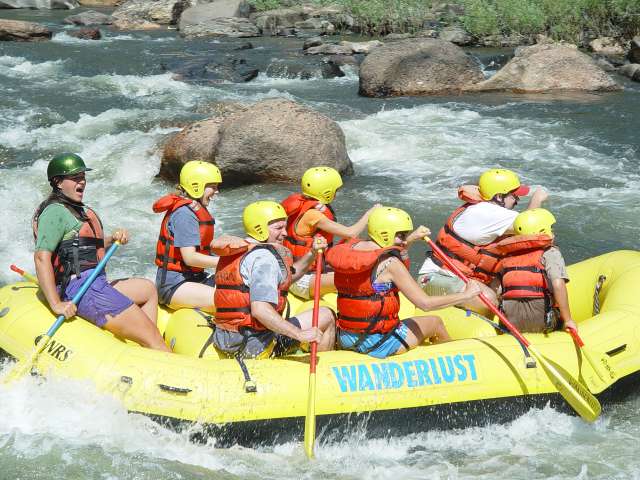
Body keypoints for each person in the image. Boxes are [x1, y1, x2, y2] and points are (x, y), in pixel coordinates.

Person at [33, 153, 170, 352]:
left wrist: (112, 239)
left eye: (83, 176)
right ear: (58, 182)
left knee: (147, 289)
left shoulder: (75, 209)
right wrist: (56, 303)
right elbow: (41, 258)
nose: (82, 181)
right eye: (75, 177)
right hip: (81, 288)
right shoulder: (55, 211)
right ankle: (154, 344)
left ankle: (146, 345)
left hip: (96, 282)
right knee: (154, 338)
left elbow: (83, 247)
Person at [326, 206, 482, 359]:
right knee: (435, 322)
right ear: (385, 234)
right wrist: (466, 295)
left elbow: (387, 249)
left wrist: (412, 238)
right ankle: (453, 365)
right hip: (378, 342)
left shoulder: (351, 251)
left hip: (346, 337)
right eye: (401, 235)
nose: (403, 240)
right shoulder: (391, 264)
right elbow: (425, 304)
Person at [211, 201, 336, 359]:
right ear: (260, 229)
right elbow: (260, 310)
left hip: (227, 338)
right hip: (255, 345)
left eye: (285, 227)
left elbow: (286, 277)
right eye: (278, 228)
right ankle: (324, 370)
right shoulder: (264, 259)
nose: (285, 233)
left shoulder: (238, 250)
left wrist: (312, 253)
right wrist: (300, 334)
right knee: (327, 315)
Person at [419, 168, 548, 315]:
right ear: (499, 196)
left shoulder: (483, 208)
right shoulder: (489, 213)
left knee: (513, 286)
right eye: (514, 196)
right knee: (489, 300)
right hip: (434, 279)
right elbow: (530, 225)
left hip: (458, 276)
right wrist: (537, 199)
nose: (517, 201)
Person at [281, 166, 380, 300]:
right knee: (355, 276)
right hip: (300, 279)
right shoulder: (313, 215)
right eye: (335, 190)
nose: (336, 193)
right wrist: (369, 214)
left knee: (353, 244)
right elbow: (351, 233)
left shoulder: (305, 204)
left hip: (307, 270)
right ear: (327, 192)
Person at [492, 208, 577, 333]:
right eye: (551, 229)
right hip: (542, 323)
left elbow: (496, 289)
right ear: (543, 231)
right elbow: (558, 284)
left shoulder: (507, 257)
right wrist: (568, 320)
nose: (553, 233)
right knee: (559, 316)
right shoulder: (550, 253)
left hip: (511, 325)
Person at [153, 160, 223, 312]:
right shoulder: (185, 214)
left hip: (195, 278)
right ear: (196, 186)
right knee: (229, 301)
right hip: (173, 285)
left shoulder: (194, 210)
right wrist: (226, 262)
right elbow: (190, 258)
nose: (217, 191)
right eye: (213, 186)